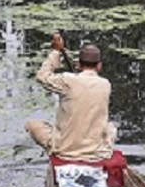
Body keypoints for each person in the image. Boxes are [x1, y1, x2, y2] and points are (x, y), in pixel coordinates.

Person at [26, 33, 117, 163]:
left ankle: (56, 152)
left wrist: (56, 51)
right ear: (99, 66)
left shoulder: (67, 80)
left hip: (65, 150)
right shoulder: (106, 84)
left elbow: (42, 76)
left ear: (78, 65)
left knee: (32, 125)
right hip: (96, 151)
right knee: (111, 128)